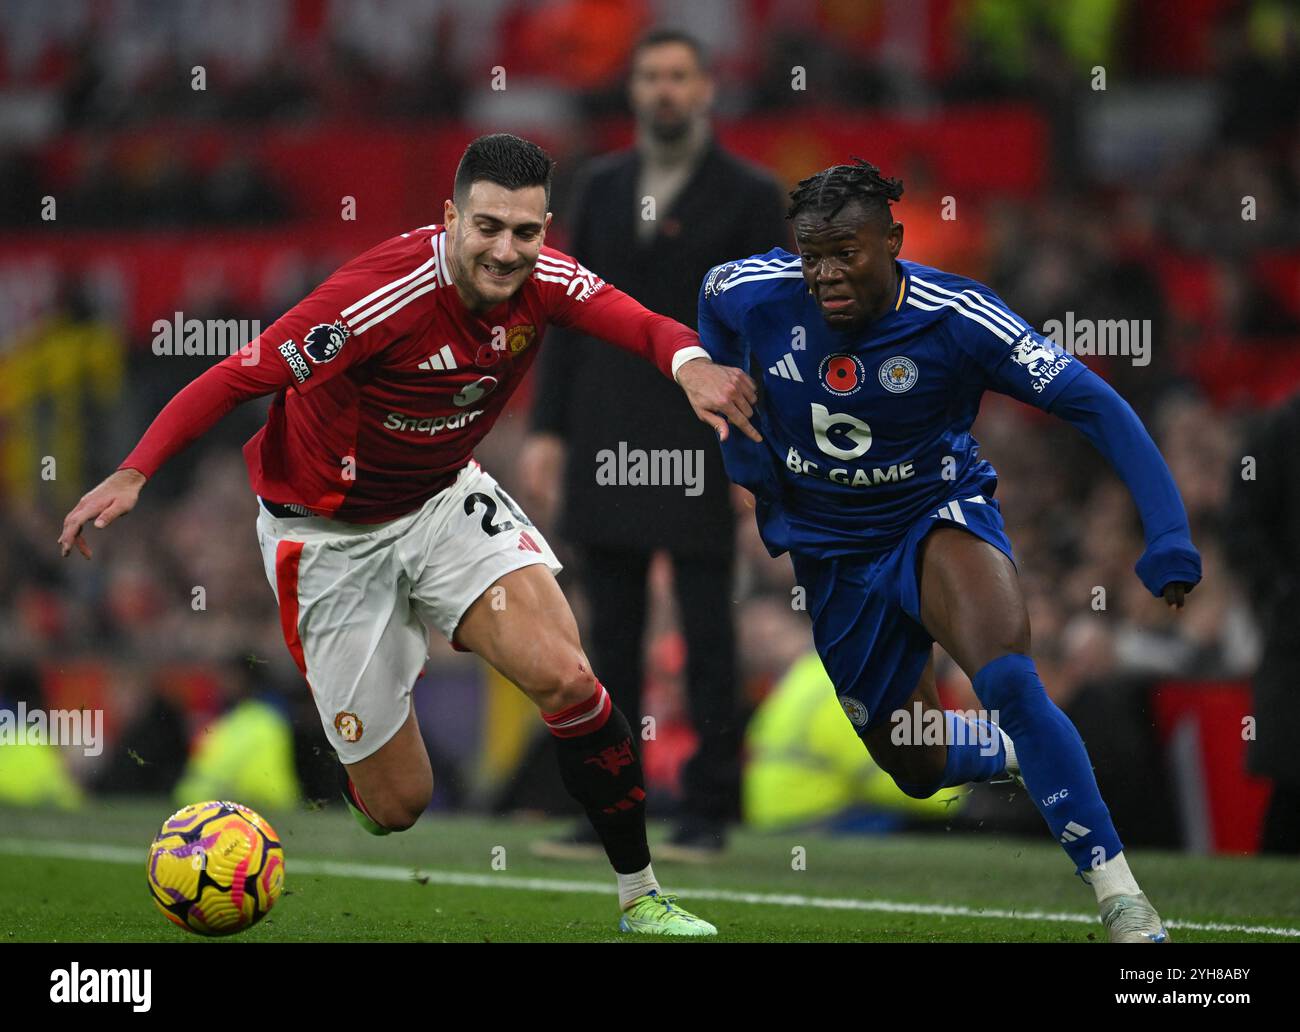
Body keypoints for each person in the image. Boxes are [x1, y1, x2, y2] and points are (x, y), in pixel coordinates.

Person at [57, 133, 761, 937]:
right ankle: (358, 769)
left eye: (525, 232)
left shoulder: (546, 280)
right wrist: (132, 473)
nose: (506, 250)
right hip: (327, 537)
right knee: (400, 807)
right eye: (487, 227)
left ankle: (642, 896)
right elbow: (240, 374)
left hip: (442, 500)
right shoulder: (375, 298)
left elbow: (638, 323)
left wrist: (691, 365)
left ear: (545, 228)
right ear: (451, 216)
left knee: (568, 679)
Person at [694, 158, 1201, 943]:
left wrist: (1167, 533)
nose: (825, 273)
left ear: (893, 241)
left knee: (1008, 679)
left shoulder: (959, 316)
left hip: (934, 516)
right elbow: (714, 329)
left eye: (846, 252)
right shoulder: (745, 292)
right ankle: (1013, 749)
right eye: (811, 254)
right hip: (831, 556)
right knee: (914, 765)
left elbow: (1095, 404)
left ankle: (1122, 898)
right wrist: (751, 464)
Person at [520, 28, 787, 860]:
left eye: (679, 77)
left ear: (705, 89)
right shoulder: (598, 185)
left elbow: (769, 329)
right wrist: (547, 431)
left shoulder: (749, 193)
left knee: (710, 630)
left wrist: (760, 453)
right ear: (634, 92)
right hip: (604, 425)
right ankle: (614, 805)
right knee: (611, 637)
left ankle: (709, 808)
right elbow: (564, 314)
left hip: (705, 431)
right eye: (651, 78)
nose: (665, 91)